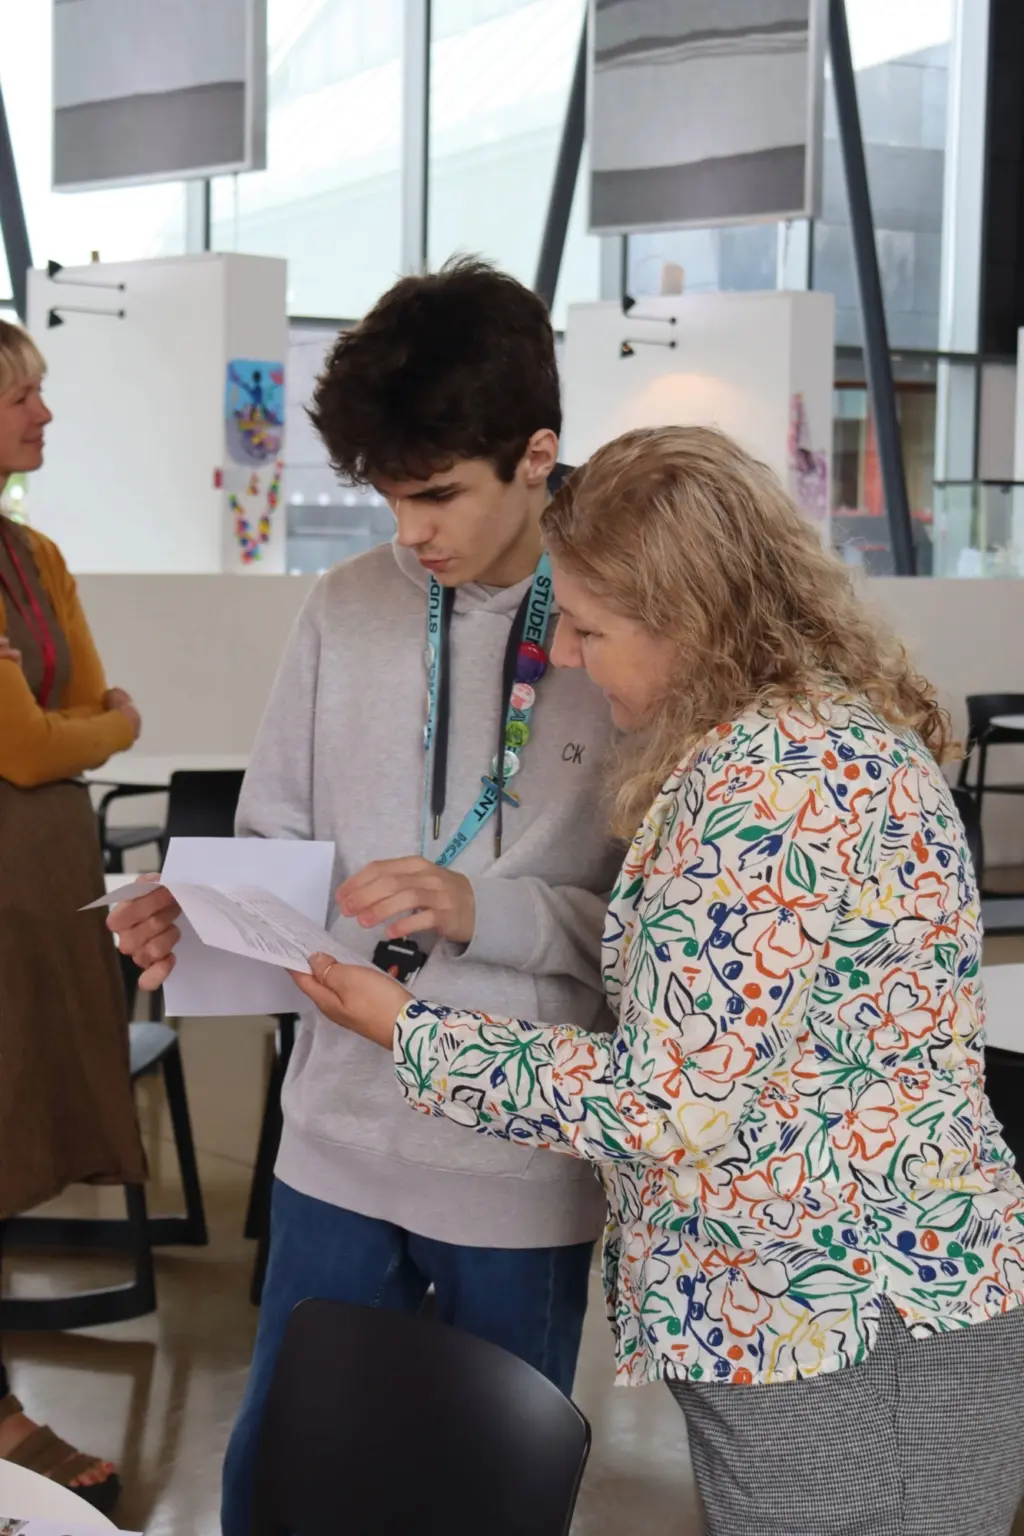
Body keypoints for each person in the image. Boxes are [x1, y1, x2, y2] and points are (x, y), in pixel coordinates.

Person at [299, 425, 1024, 1536]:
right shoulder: (778, 746)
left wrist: (410, 1030)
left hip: (842, 1315)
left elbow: (663, 1097)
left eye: (589, 628)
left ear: (689, 620)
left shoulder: (774, 789)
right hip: (807, 1301)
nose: (574, 658)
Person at [110, 259, 621, 1536]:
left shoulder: (624, 628)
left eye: (439, 495)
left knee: (474, 1501)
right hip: (333, 1142)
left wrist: (477, 905)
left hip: (520, 1158)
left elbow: (653, 931)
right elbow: (280, 838)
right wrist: (198, 909)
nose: (413, 533)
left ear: (537, 455)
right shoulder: (344, 607)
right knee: (282, 1491)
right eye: (392, 498)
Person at [0, 319, 146, 1515]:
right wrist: (86, 736)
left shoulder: (35, 555)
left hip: (39, 894)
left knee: (11, 1143)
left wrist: (81, 736)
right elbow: (32, 737)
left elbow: (91, 710)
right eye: (20, 399)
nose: (44, 417)